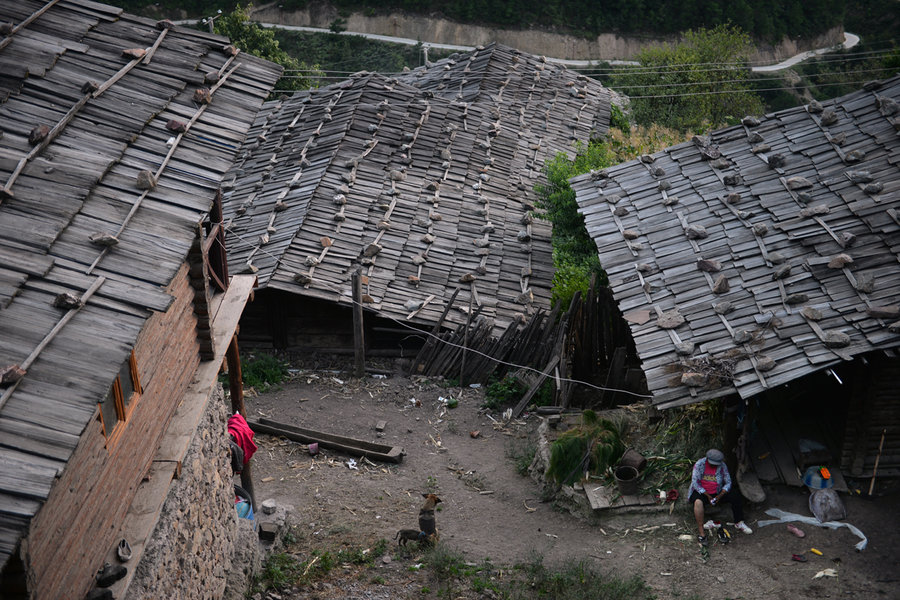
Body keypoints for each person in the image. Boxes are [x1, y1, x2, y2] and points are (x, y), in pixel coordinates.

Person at [689, 449, 753, 545]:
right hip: (702, 492)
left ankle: (739, 522)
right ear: (707, 459)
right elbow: (695, 483)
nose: (714, 465)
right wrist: (708, 495)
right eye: (712, 464)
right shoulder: (699, 465)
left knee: (735, 495)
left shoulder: (722, 466)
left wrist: (720, 495)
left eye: (716, 464)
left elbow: (728, 482)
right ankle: (702, 532)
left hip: (717, 492)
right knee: (698, 502)